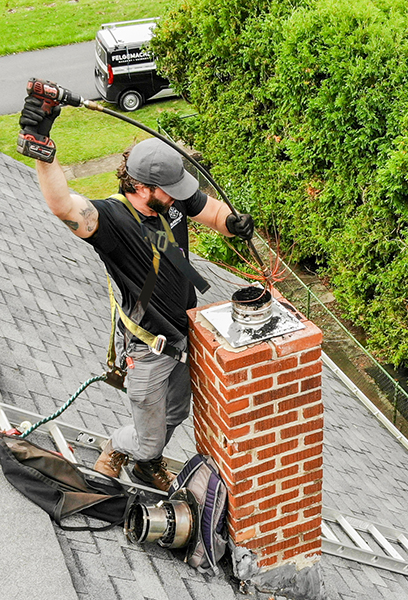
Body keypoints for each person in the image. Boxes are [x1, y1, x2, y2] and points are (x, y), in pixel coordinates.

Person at [19, 97, 254, 492]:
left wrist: (231, 222)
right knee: (148, 438)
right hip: (149, 347)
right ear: (143, 187)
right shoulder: (111, 221)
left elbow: (209, 212)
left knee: (177, 412)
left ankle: (148, 466)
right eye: (171, 191)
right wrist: (44, 150)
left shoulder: (172, 199)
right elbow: (63, 206)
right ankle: (117, 447)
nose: (180, 197)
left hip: (185, 336)